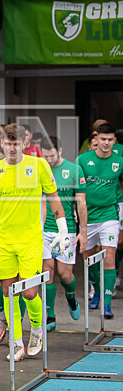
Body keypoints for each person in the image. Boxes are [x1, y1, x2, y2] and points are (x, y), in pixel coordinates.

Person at [0, 124, 67, 361]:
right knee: (8, 291)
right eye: (7, 143)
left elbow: (53, 196)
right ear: (1, 144)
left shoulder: (38, 165)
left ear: (24, 144)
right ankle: (16, 343)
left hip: (30, 240)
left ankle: (37, 330)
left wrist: (63, 229)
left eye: (16, 143)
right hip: (2, 240)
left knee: (29, 292)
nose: (11, 147)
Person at [78, 122, 123, 320]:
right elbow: (77, 193)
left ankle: (106, 303)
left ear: (114, 141)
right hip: (88, 217)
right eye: (102, 139)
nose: (106, 143)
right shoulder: (82, 160)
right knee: (88, 258)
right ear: (95, 140)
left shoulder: (119, 161)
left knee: (109, 256)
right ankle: (96, 291)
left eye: (109, 140)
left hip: (109, 216)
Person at [40, 137, 86, 330]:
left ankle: (71, 297)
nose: (49, 160)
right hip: (45, 229)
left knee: (64, 274)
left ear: (60, 150)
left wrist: (83, 231)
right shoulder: (39, 170)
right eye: (45, 156)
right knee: (47, 272)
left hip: (65, 227)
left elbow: (81, 202)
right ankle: (50, 316)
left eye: (52, 155)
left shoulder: (74, 170)